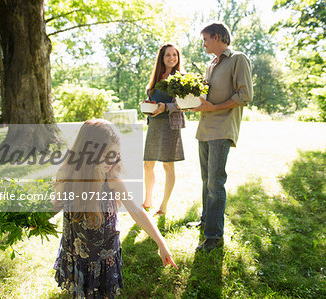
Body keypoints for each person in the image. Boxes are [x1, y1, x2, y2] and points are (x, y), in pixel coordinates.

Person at [52, 119, 177, 298]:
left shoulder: (112, 180)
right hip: (77, 254)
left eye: (115, 156)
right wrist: (34, 220)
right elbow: (57, 204)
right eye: (107, 155)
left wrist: (161, 243)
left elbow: (136, 211)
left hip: (104, 257)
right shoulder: (68, 175)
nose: (112, 161)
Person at [188, 22, 253, 252]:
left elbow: (245, 95)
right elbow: (208, 98)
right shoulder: (211, 65)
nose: (203, 44)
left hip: (222, 129)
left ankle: (214, 237)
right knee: (206, 180)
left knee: (216, 183)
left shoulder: (238, 59)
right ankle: (206, 221)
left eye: (205, 39)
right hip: (205, 129)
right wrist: (191, 101)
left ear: (217, 37)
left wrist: (214, 108)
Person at [142, 43, 185, 216]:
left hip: (169, 126)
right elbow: (153, 99)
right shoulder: (156, 78)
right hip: (154, 125)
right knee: (147, 164)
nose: (172, 58)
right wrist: (147, 106)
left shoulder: (181, 78)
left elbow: (183, 104)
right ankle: (147, 200)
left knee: (168, 165)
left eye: (174, 55)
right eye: (168, 55)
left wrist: (165, 107)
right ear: (162, 58)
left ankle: (163, 206)